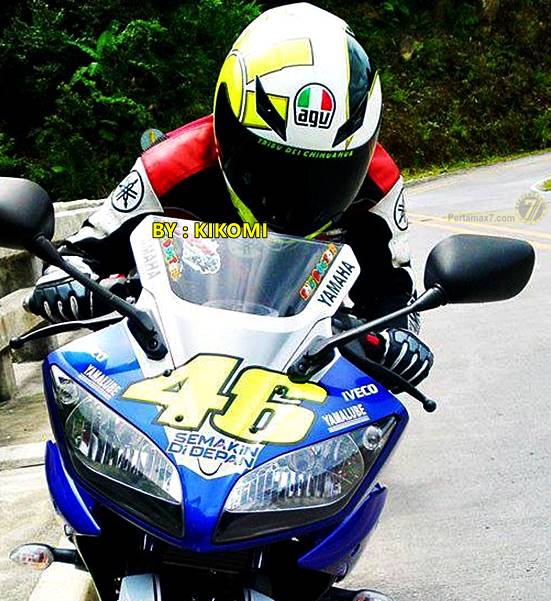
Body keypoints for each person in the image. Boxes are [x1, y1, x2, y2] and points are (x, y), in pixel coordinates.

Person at [29, 2, 433, 385]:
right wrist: (64, 282)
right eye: (273, 166)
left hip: (310, 365)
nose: (298, 191)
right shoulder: (170, 166)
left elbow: (393, 292)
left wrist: (399, 340)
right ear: (227, 125)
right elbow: (83, 250)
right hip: (171, 364)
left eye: (329, 173)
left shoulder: (378, 184)